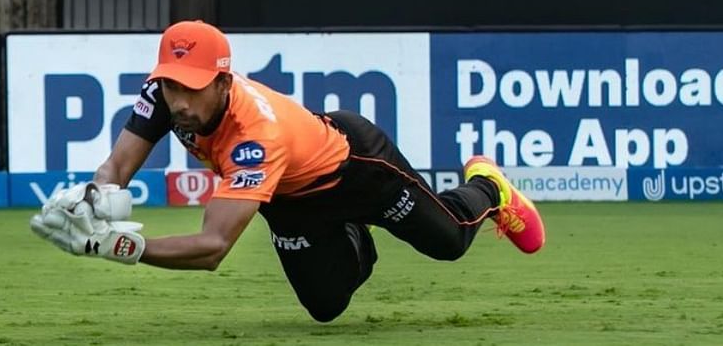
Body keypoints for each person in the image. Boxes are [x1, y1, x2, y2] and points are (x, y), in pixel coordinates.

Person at [30, 20, 545, 323]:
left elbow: (212, 249)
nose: (179, 101)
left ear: (223, 80)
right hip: (293, 197)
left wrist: (115, 246)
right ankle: (353, 239)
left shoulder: (257, 134)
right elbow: (118, 165)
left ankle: (487, 187)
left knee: (449, 242)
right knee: (326, 307)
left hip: (357, 168)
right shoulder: (161, 95)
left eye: (192, 87)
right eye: (171, 86)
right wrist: (94, 201)